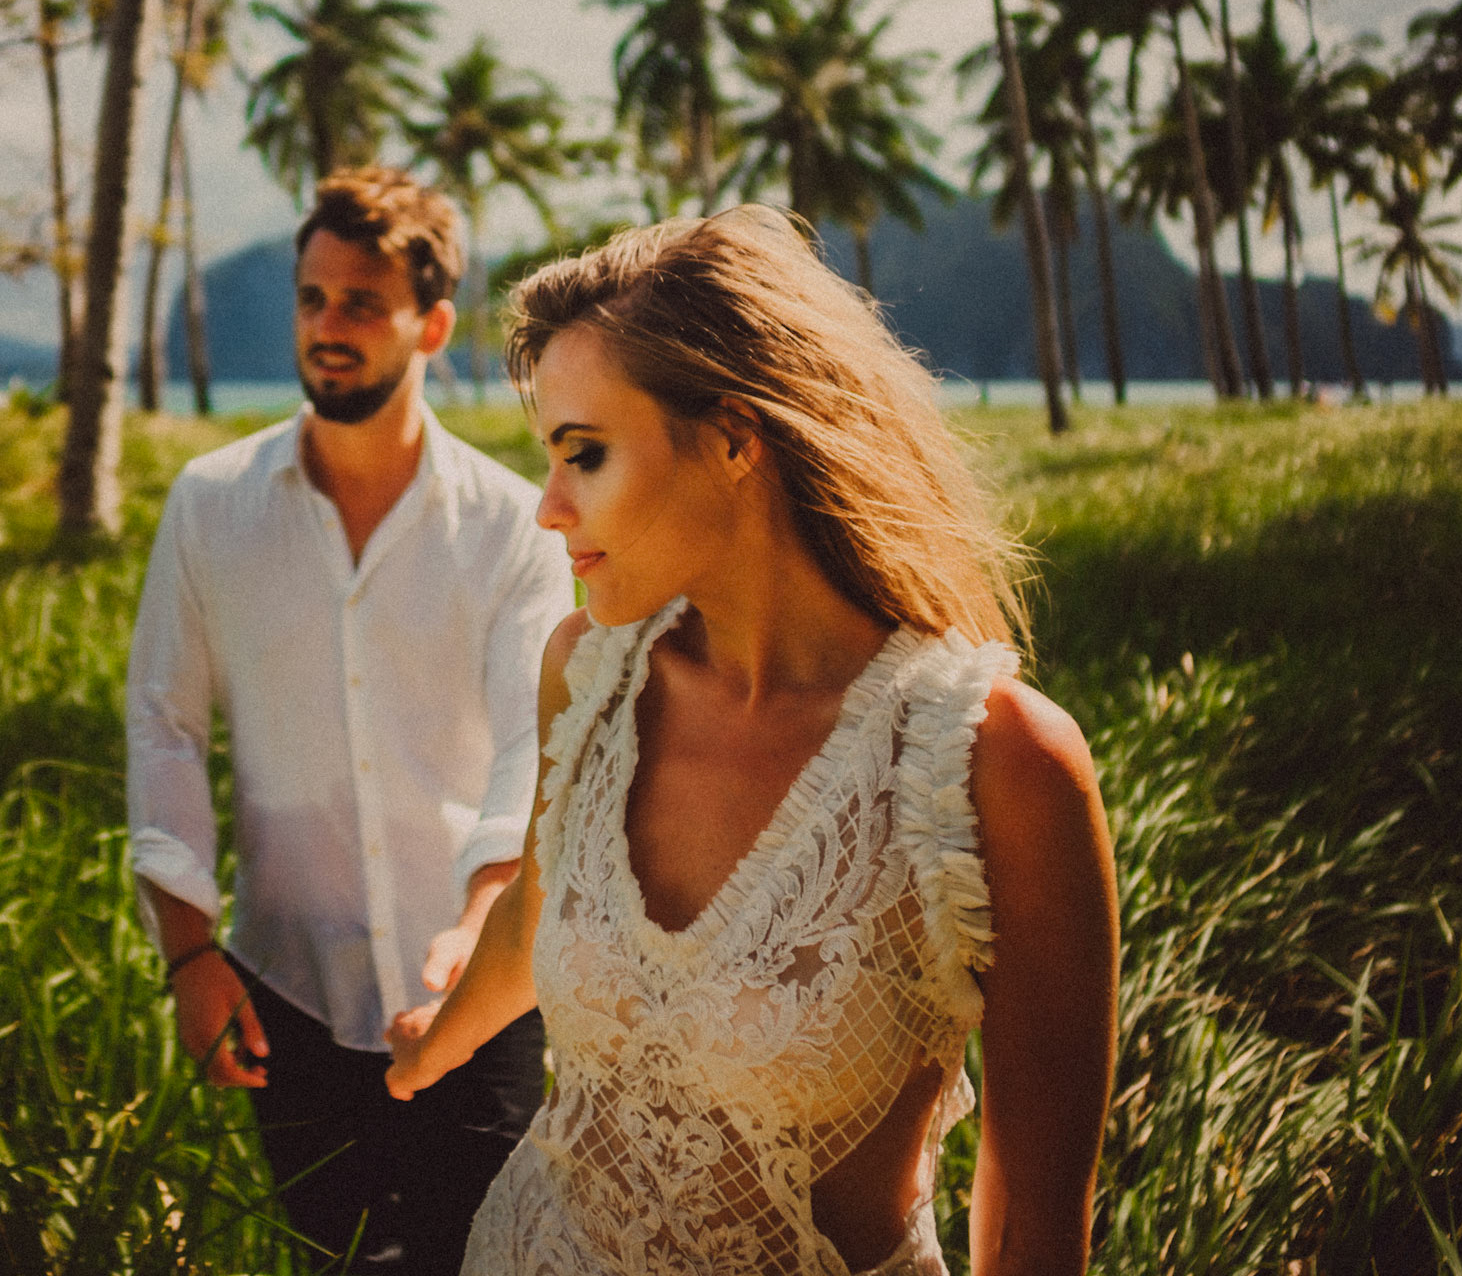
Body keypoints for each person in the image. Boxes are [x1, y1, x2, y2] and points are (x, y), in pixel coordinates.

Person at [385, 205, 1119, 1276]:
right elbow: (536, 910)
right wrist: (428, 1043)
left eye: (583, 454)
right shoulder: (587, 673)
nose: (547, 507)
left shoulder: (998, 765)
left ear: (734, 437)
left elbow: (1041, 1221)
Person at [126, 166, 576, 1275]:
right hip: (287, 988)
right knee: (331, 1261)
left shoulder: (514, 527)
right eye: (314, 298)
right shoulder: (209, 503)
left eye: (361, 304)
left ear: (429, 323)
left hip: (478, 989)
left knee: (489, 1258)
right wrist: (189, 954)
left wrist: (481, 919)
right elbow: (164, 723)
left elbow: (535, 740)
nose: (329, 327)